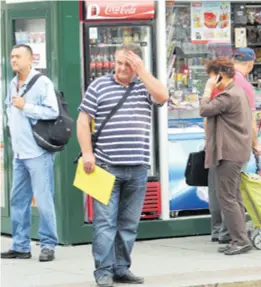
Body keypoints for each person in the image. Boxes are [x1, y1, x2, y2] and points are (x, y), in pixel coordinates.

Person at [77, 43, 168, 287]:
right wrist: (87, 153)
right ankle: (103, 271)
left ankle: (121, 268)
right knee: (105, 223)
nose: (121, 68)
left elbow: (163, 96)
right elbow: (83, 121)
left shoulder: (144, 86)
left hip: (137, 167)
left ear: (137, 65)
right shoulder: (99, 86)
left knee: (129, 223)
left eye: (128, 64)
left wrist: (142, 72)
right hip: (106, 166)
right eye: (118, 63)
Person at [1, 44, 59, 262]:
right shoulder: (12, 84)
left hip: (38, 153)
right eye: (11, 56)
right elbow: (9, 110)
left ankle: (48, 244)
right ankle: (20, 245)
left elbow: (52, 111)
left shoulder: (42, 83)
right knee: (18, 201)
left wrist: (26, 107)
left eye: (17, 56)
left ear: (30, 59)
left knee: (44, 201)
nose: (13, 60)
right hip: (19, 154)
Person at [206, 48, 260, 245]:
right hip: (234, 146)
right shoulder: (243, 86)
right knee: (231, 192)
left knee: (219, 189)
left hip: (219, 144)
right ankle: (231, 233)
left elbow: (207, 114)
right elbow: (250, 121)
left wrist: (209, 140)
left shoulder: (221, 84)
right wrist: (255, 144)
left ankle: (221, 230)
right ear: (251, 63)